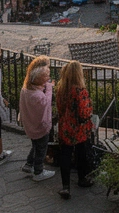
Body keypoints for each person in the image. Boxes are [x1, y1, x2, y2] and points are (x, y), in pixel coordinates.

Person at [52, 60, 94, 199]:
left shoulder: (61, 89)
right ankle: (82, 179)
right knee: (81, 152)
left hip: (65, 125)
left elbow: (59, 108)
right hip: (79, 127)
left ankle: (65, 187)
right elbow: (84, 112)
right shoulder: (80, 91)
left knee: (65, 154)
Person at [19, 57, 56, 182]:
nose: (47, 79)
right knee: (41, 149)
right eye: (45, 77)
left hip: (30, 125)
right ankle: (38, 171)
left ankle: (28, 165)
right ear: (39, 79)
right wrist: (50, 88)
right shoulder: (38, 96)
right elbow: (46, 101)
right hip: (40, 126)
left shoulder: (26, 89)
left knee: (35, 145)